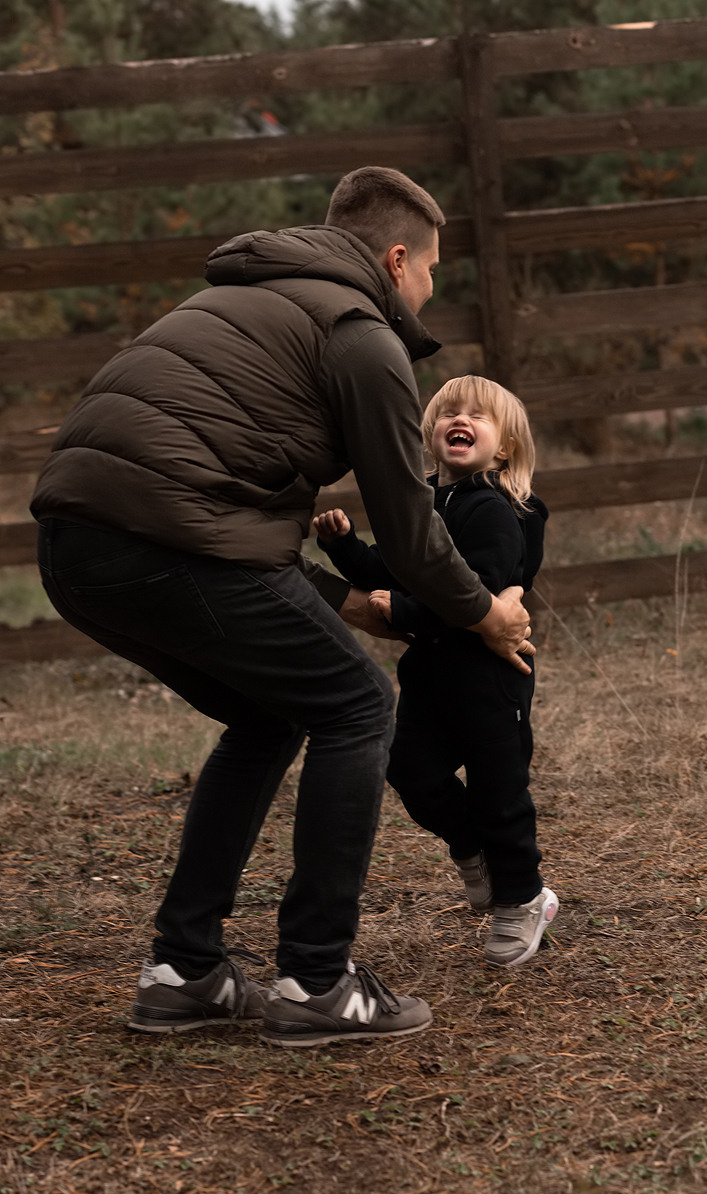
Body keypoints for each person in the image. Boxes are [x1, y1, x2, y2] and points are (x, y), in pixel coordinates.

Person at [30, 167, 534, 1048]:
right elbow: (411, 532)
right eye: (430, 271)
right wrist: (483, 615)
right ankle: (316, 979)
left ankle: (183, 969)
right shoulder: (360, 335)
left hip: (72, 550)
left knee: (268, 715)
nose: (428, 290)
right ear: (397, 259)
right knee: (358, 707)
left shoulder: (226, 304)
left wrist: (345, 601)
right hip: (168, 544)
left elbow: (213, 505)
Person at [313, 374, 557, 967]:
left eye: (478, 414)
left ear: (504, 447)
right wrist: (345, 550)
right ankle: (471, 845)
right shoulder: (421, 502)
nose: (460, 419)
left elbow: (475, 592)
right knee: (410, 768)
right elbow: (395, 570)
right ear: (429, 434)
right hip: (430, 673)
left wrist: (406, 611)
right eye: (449, 411)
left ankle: (523, 899)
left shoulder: (494, 510)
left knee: (500, 792)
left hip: (490, 676)